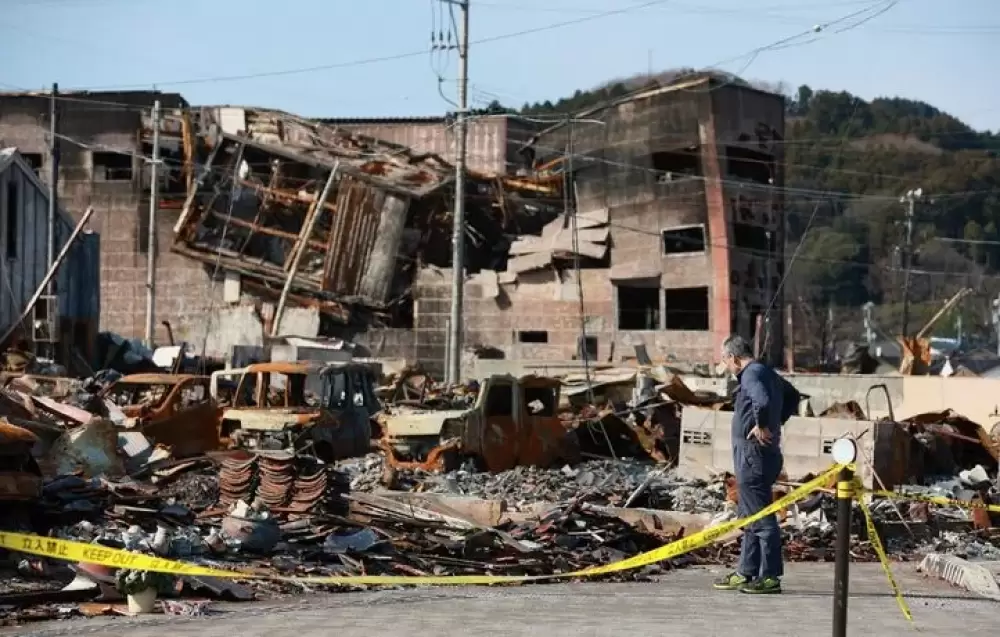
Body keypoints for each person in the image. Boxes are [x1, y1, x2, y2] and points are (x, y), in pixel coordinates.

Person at [712, 334, 794, 595]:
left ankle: (770, 576)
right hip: (759, 455)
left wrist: (762, 425)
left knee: (761, 518)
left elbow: (762, 400)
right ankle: (746, 571)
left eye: (725, 361)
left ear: (733, 358)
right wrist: (777, 422)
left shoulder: (750, 374)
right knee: (750, 515)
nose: (725, 367)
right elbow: (792, 396)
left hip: (753, 456)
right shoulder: (766, 372)